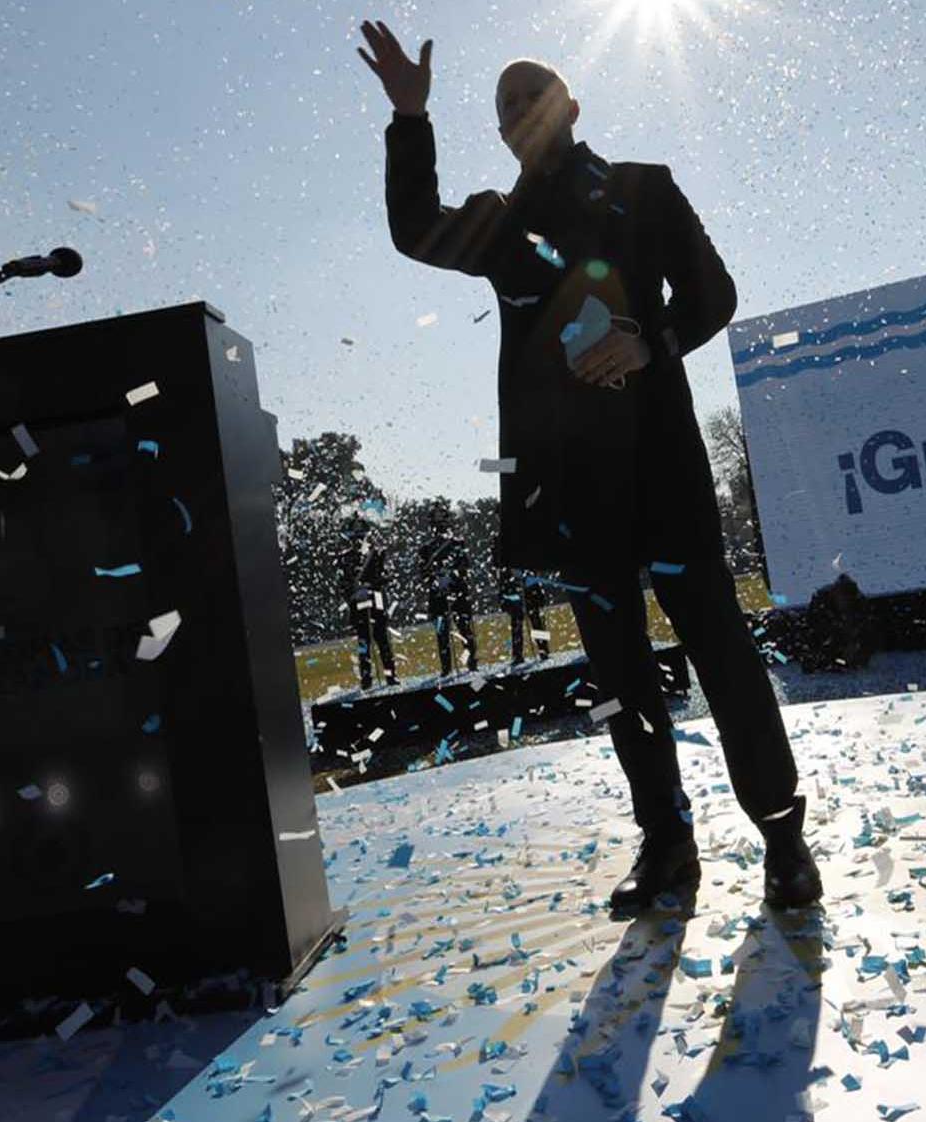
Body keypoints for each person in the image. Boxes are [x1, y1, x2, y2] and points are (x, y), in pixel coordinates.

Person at [358, 21, 820, 912]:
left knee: (720, 652)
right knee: (617, 677)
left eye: (532, 94)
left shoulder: (646, 189)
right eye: (502, 106)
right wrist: (410, 118)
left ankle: (781, 837)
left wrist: (652, 345)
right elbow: (414, 228)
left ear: (570, 105)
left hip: (662, 464)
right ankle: (665, 849)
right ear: (496, 133)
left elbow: (714, 296)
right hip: (566, 486)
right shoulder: (496, 225)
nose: (517, 110)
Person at [417, 504, 477, 676]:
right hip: (438, 595)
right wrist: (436, 582)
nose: (440, 527)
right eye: (437, 524)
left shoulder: (458, 543)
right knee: (442, 634)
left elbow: (465, 566)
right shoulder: (425, 549)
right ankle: (446, 668)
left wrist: (452, 577)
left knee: (465, 631)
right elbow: (423, 574)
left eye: (442, 523)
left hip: (457, 592)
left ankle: (470, 663)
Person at [348, 528, 400, 689]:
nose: (359, 540)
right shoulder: (347, 558)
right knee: (364, 644)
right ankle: (366, 679)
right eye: (356, 537)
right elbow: (343, 582)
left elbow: (388, 575)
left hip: (376, 599)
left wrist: (374, 584)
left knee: (383, 641)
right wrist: (355, 592)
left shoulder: (377, 555)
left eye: (362, 537)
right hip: (359, 602)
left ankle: (390, 676)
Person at [500, 565, 551, 665]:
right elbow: (504, 583)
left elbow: (535, 579)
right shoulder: (506, 568)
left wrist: (539, 596)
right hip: (515, 596)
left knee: (537, 623)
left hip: (530, 594)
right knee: (517, 626)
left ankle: (544, 650)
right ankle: (517, 655)